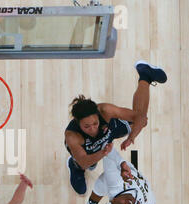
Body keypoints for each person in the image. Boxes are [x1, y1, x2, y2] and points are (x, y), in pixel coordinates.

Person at [65, 60, 167, 195]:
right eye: (87, 126)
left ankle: (145, 75)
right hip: (87, 150)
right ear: (78, 123)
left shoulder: (105, 110)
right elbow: (84, 161)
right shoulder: (73, 136)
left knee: (141, 121)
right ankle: (74, 165)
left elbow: (140, 118)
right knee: (89, 166)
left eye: (95, 123)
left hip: (110, 132)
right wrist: (103, 153)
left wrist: (132, 137)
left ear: (98, 114)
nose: (93, 129)